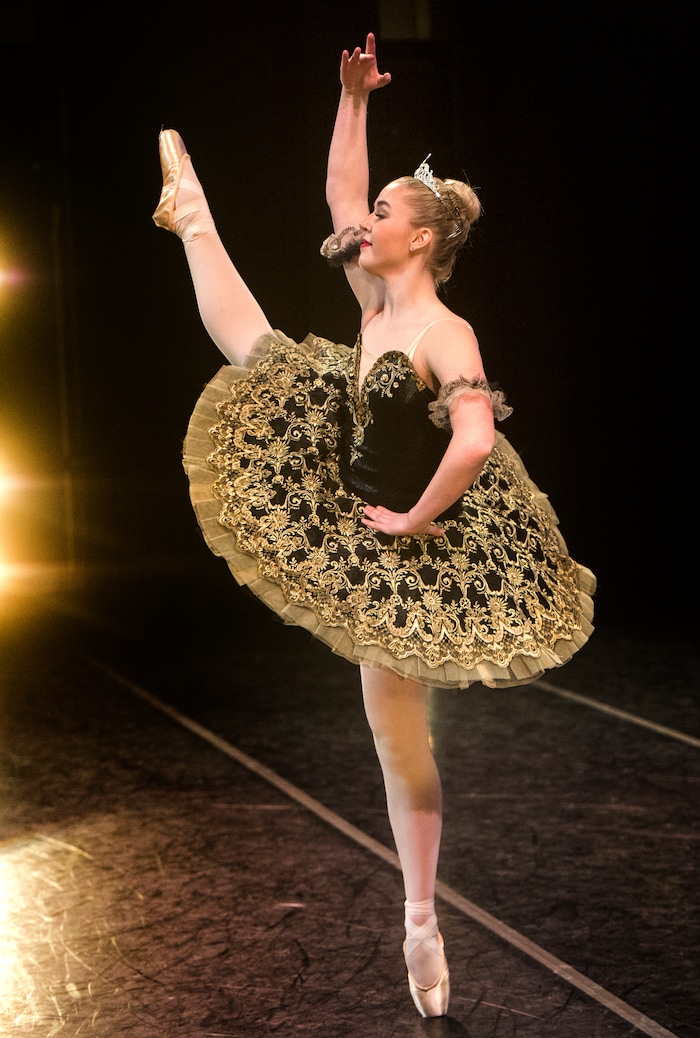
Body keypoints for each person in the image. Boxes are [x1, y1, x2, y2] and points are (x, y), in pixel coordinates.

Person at [152, 33, 595, 1019]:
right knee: (265, 354)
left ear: (422, 240)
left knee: (402, 748)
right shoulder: (373, 301)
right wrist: (351, 101)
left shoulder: (447, 335)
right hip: (350, 490)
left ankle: (419, 921)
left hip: (416, 550)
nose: (365, 228)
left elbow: (476, 440)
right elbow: (340, 195)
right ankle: (192, 216)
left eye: (388, 217)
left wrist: (411, 518)